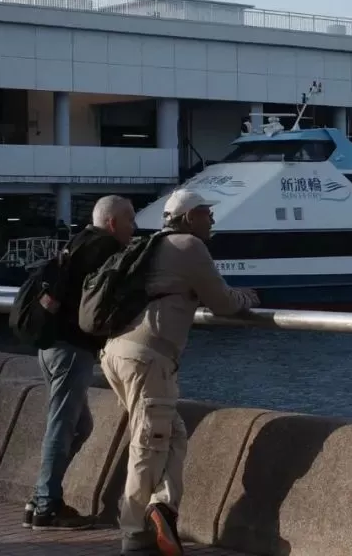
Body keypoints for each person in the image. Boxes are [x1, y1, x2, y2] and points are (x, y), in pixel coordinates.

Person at [102, 189, 258, 556]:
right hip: (148, 357)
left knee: (172, 435)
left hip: (116, 351)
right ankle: (135, 533)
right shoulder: (189, 246)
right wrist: (249, 298)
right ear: (189, 218)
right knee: (149, 444)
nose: (212, 220)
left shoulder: (153, 243)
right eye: (206, 214)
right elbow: (222, 301)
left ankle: (164, 508)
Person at [27, 195, 136, 530]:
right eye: (130, 220)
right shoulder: (104, 249)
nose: (134, 227)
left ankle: (40, 497)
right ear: (114, 223)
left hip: (49, 347)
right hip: (71, 349)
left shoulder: (77, 242)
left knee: (80, 426)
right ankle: (47, 506)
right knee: (62, 427)